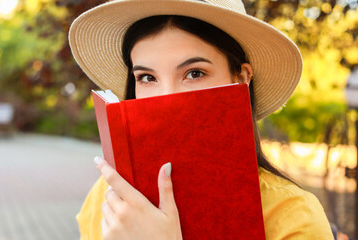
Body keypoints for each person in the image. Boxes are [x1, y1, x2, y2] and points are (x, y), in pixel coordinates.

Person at [69, 0, 334, 239]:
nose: (167, 98)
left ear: (240, 78)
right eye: (147, 78)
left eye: (195, 73)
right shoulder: (109, 197)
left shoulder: (293, 217)